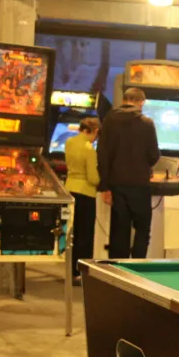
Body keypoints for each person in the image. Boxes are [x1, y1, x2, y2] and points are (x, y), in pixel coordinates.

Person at [97, 88, 160, 259]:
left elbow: (102, 154)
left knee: (119, 231)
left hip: (116, 184)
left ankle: (118, 268)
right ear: (141, 102)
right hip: (139, 184)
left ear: (124, 100)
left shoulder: (109, 120)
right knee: (142, 229)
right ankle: (137, 267)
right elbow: (154, 155)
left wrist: (104, 186)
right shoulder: (147, 123)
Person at [64, 117, 101, 284]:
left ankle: (70, 270)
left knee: (73, 234)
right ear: (93, 131)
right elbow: (93, 178)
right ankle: (80, 273)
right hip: (86, 194)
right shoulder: (89, 149)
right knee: (85, 236)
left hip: (70, 190)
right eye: (96, 136)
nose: (95, 139)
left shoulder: (69, 142)